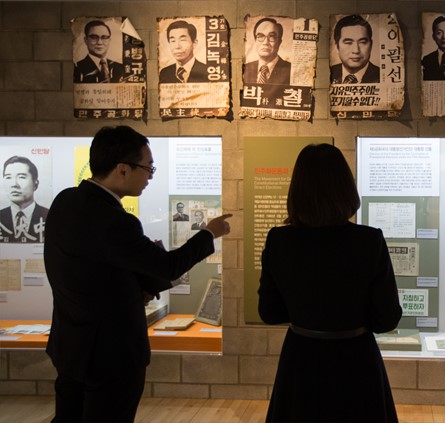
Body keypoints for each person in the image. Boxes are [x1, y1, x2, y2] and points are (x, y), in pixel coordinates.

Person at [44, 126, 232, 422]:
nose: (150, 176)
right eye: (148, 167)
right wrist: (209, 233)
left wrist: (132, 291)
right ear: (122, 169)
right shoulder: (115, 221)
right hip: (111, 354)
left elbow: (89, 271)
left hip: (70, 347)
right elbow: (169, 266)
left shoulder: (65, 202)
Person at [258, 143, 402, 422]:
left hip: (301, 359)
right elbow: (386, 319)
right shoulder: (369, 240)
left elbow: (270, 312)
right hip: (356, 360)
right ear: (346, 188)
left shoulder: (280, 240)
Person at [0, 156, 50, 243]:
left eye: (21, 177)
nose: (14, 184)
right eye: (8, 177)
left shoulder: (48, 215)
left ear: (35, 184)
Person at [330, 15, 380, 84]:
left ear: (371, 45)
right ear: (337, 46)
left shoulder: (382, 75)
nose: (356, 50)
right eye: (348, 43)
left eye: (362, 42)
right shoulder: (330, 72)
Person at [242, 17, 291, 85]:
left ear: (279, 42)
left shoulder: (290, 70)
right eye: (260, 36)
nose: (265, 43)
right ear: (255, 41)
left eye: (272, 37)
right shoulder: (246, 68)